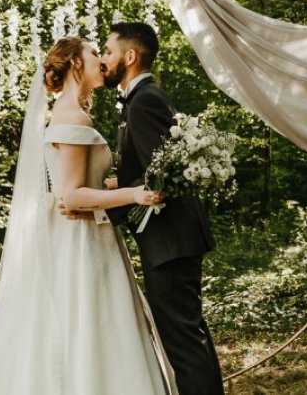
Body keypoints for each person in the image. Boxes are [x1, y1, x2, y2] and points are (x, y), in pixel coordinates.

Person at [0, 36, 177, 395]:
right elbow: (74, 194)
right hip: (83, 239)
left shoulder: (66, 111)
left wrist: (114, 187)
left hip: (74, 232)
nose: (101, 58)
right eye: (94, 53)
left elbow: (79, 185)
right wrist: (135, 194)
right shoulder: (74, 116)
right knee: (93, 322)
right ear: (76, 64)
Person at [65, 22, 225, 395]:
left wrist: (98, 207)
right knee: (189, 334)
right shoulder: (140, 99)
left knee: (183, 342)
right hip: (172, 238)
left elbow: (162, 181)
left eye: (107, 51)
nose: (103, 59)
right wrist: (106, 188)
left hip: (170, 239)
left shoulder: (146, 100)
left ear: (130, 56)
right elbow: (149, 170)